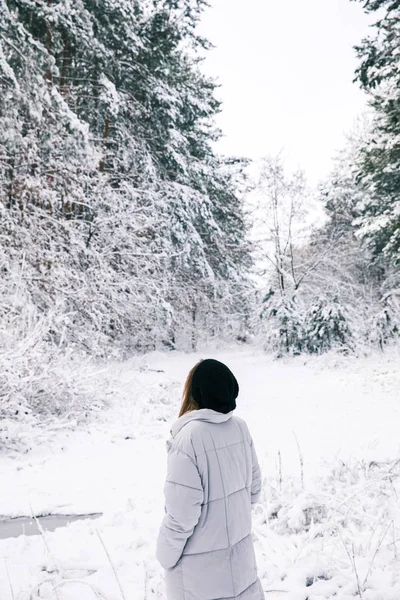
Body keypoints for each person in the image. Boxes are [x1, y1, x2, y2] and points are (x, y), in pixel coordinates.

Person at [156, 358, 265, 600]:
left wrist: (164, 555)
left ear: (194, 392)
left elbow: (181, 515)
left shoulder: (188, 439)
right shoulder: (240, 427)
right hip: (241, 570)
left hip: (198, 581)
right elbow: (254, 490)